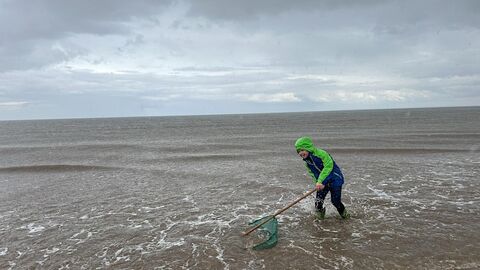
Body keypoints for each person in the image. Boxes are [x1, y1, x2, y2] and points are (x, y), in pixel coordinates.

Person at [295, 136, 350, 219]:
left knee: (335, 202)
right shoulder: (307, 162)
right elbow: (313, 174)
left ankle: (346, 217)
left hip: (335, 179)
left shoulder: (321, 154)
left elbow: (328, 166)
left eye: (302, 150)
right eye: (298, 151)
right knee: (318, 203)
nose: (300, 153)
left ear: (308, 148)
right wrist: (318, 182)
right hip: (322, 183)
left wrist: (320, 181)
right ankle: (320, 220)